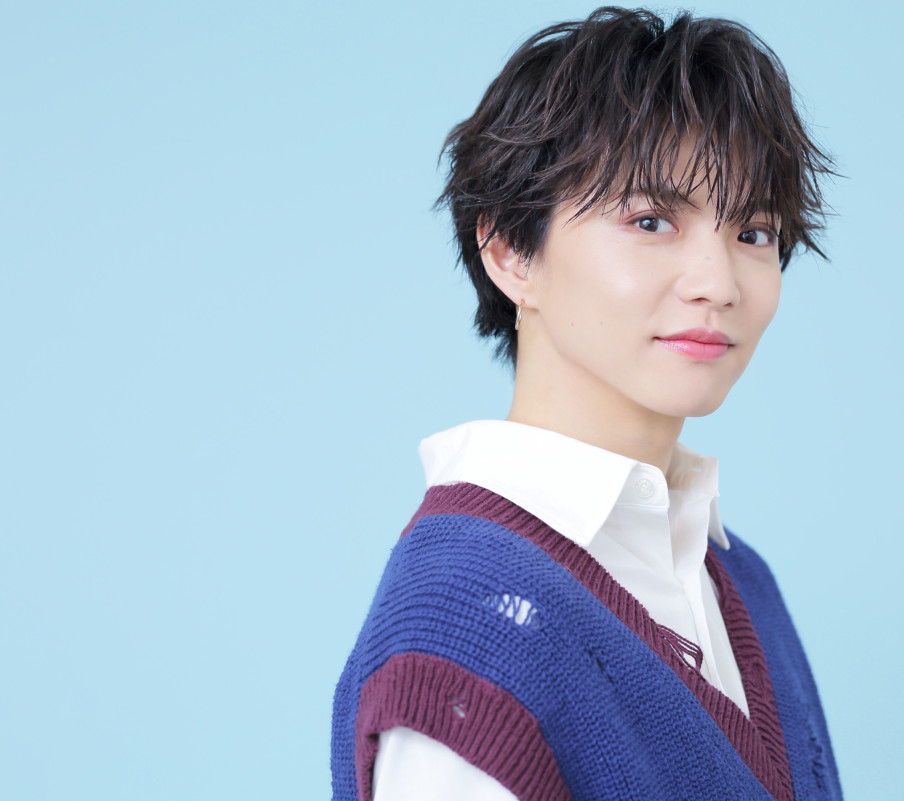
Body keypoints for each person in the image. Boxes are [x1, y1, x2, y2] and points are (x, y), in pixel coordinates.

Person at [331, 7, 840, 800]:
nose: (718, 282)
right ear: (510, 251)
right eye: (650, 220)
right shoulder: (467, 630)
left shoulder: (739, 578)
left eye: (754, 232)